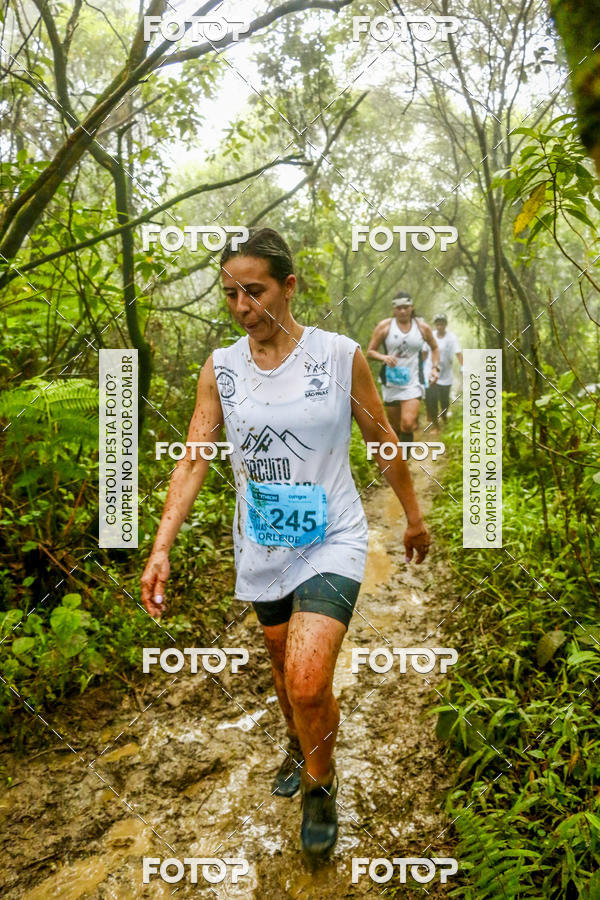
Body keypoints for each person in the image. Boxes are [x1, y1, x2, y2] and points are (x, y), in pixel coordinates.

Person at [140, 228, 431, 862]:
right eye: (230, 294)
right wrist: (161, 545)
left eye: (255, 291)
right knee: (281, 672)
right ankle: (301, 744)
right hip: (263, 544)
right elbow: (193, 457)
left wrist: (412, 516)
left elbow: (383, 442)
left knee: (305, 680)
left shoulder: (339, 355)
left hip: (333, 536)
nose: (241, 306)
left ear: (289, 286)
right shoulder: (220, 370)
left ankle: (320, 788)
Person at [366, 293, 439, 448]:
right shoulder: (384, 326)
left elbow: (434, 347)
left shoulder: (422, 328)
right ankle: (397, 457)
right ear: (394, 309)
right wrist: (384, 358)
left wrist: (434, 368)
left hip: (414, 382)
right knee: (396, 427)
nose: (403, 311)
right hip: (391, 381)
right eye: (399, 308)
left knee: (407, 423)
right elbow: (370, 352)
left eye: (406, 307)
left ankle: (404, 462)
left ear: (412, 308)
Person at [423, 313, 462, 432]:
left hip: (446, 374)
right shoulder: (430, 336)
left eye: (442, 324)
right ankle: (436, 425)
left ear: (445, 324)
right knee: (432, 399)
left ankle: (444, 417)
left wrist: (463, 366)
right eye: (437, 324)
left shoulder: (452, 338)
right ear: (435, 325)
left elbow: (458, 353)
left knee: (444, 401)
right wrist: (421, 366)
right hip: (431, 372)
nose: (440, 326)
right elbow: (424, 352)